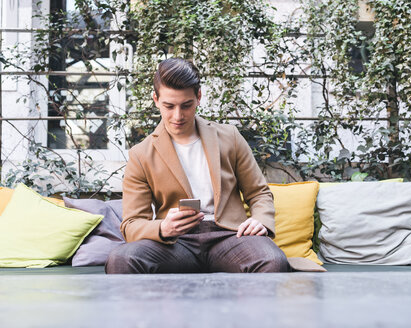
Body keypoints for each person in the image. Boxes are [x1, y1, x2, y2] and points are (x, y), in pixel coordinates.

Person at [105, 58, 290, 273]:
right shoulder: (141, 155)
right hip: (175, 243)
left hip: (230, 236)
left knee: (273, 260)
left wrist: (261, 220)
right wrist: (163, 228)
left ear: (198, 97)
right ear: (156, 99)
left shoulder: (229, 137)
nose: (178, 116)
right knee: (122, 259)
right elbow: (131, 224)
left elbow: (259, 193)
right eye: (169, 106)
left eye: (186, 105)